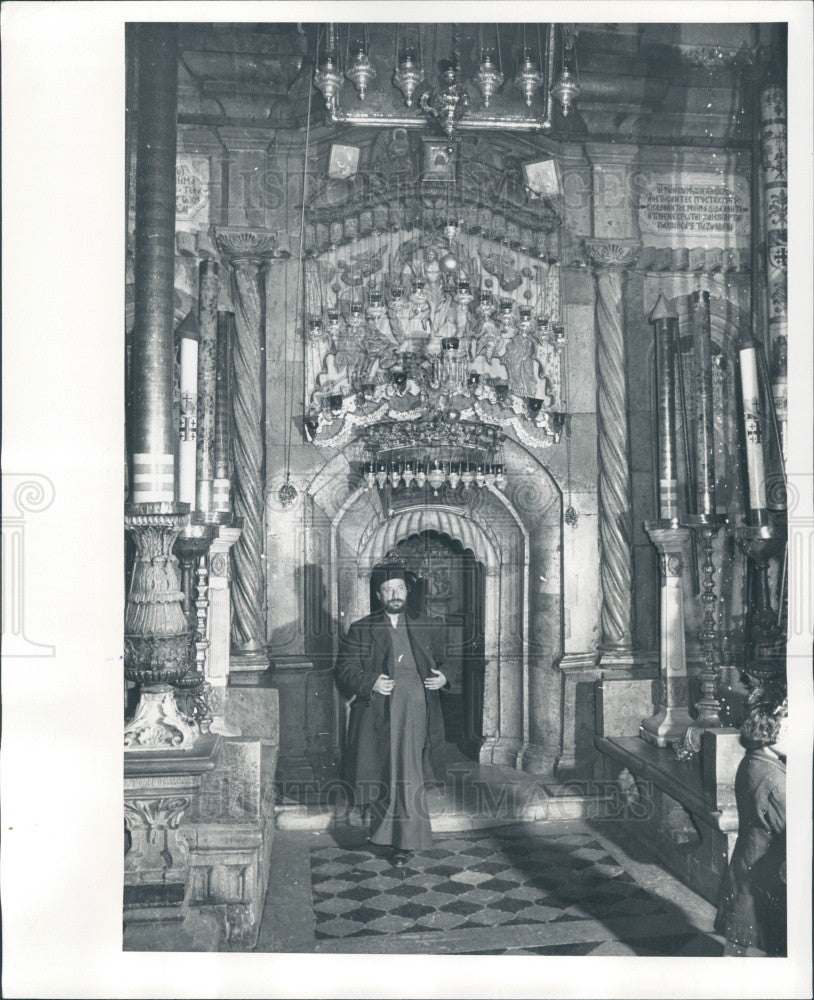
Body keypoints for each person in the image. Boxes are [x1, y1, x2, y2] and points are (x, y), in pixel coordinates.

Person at [336, 563, 449, 866]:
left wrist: (444, 677)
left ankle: (406, 841)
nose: (395, 594)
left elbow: (449, 661)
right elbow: (345, 670)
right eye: (388, 589)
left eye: (399, 588)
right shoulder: (362, 628)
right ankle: (386, 836)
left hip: (416, 706)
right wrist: (371, 681)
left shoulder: (430, 625)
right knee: (385, 770)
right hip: (379, 709)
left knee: (409, 771)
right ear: (378, 594)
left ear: (407, 591)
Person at [714, 682, 788, 956]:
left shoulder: (753, 761)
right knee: (762, 945)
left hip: (747, 861)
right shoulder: (776, 780)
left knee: (738, 943)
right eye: (789, 730)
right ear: (770, 733)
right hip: (766, 871)